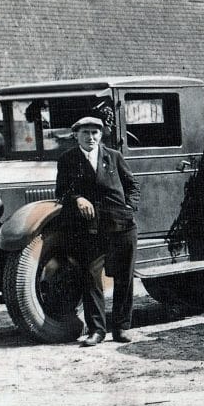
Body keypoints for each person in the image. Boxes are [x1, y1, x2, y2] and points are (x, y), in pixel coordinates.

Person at [55, 116, 142, 346]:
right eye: (86, 133)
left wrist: (129, 208)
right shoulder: (67, 160)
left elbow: (133, 186)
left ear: (101, 135)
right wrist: (78, 198)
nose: (90, 137)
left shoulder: (114, 157)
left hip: (121, 225)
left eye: (95, 133)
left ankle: (122, 328)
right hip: (89, 230)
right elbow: (61, 193)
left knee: (125, 277)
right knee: (91, 278)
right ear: (76, 135)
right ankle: (97, 331)